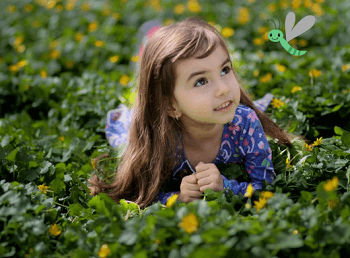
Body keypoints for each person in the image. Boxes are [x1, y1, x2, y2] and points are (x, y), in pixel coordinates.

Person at [88, 16, 294, 209]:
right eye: (201, 81)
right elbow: (137, 196)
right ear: (170, 106)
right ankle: (147, 48)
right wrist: (179, 198)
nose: (224, 88)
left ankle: (153, 45)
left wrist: (225, 187)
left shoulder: (245, 123)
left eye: (225, 69)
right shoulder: (156, 139)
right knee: (145, 95)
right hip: (147, 120)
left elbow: (266, 187)